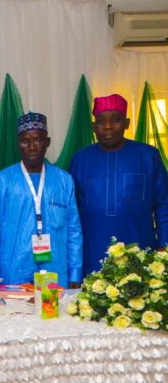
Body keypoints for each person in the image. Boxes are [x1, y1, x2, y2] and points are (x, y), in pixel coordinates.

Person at [69, 93, 168, 275]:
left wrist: (164, 246)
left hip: (139, 250)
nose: (107, 127)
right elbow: (70, 210)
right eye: (100, 121)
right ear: (93, 126)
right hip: (92, 252)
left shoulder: (148, 156)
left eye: (116, 120)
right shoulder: (81, 159)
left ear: (127, 123)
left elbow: (164, 204)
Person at [0, 112, 82, 287]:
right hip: (13, 271)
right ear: (18, 144)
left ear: (47, 142)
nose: (32, 147)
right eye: (25, 141)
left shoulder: (64, 180)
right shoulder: (2, 182)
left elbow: (73, 231)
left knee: (53, 313)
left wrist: (75, 274)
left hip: (56, 270)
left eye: (38, 140)